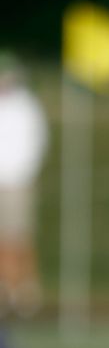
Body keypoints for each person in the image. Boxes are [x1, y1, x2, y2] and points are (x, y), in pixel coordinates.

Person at [0, 52, 47, 318]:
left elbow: (36, 142)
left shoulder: (25, 105)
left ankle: (25, 291)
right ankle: (7, 291)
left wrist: (25, 173)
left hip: (17, 181)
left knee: (18, 237)